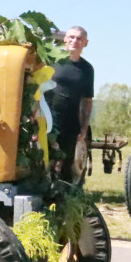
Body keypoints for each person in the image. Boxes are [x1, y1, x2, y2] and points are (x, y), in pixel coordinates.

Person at [47, 25, 94, 184]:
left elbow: (87, 100)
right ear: (65, 39)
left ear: (85, 43)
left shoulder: (87, 69)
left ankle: (64, 199)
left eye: (79, 38)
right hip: (48, 119)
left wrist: (84, 128)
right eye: (72, 37)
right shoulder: (51, 60)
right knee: (47, 160)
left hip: (71, 122)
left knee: (67, 163)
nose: (75, 41)